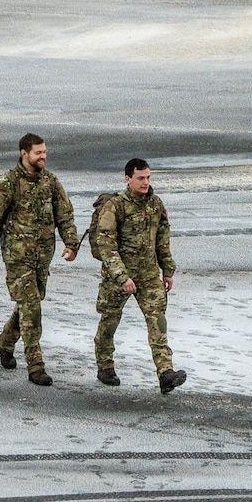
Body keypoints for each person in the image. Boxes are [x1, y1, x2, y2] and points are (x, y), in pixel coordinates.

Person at [0, 133, 79, 386]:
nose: (43, 156)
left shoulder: (51, 182)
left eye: (44, 152)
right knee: (32, 308)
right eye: (38, 153)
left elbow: (64, 214)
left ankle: (4, 342)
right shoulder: (6, 183)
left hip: (43, 257)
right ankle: (36, 365)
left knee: (27, 306)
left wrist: (71, 243)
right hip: (17, 257)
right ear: (24, 153)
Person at [91, 158, 184, 393]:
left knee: (157, 321)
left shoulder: (155, 204)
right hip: (118, 277)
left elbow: (162, 239)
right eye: (140, 178)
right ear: (128, 179)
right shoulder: (115, 206)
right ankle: (105, 364)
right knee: (110, 321)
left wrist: (168, 270)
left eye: (148, 177)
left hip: (149, 275)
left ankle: (165, 372)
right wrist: (122, 277)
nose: (145, 182)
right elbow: (106, 244)